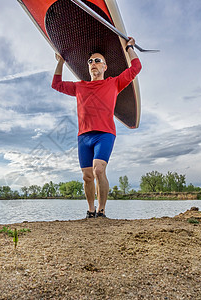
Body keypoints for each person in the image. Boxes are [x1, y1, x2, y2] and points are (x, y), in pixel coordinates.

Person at [51, 37, 142, 218]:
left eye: (97, 61)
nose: (93, 64)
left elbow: (136, 68)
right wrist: (60, 62)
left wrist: (129, 47)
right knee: (87, 176)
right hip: (84, 136)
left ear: (105, 67)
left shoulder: (114, 83)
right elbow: (56, 84)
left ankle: (101, 211)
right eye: (90, 61)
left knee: (98, 169)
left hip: (105, 134)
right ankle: (90, 211)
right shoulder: (80, 87)